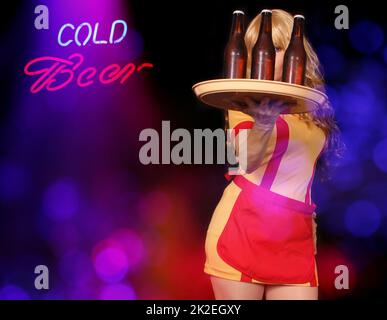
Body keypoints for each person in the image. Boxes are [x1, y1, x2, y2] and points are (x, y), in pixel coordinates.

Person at [204, 9, 344, 300]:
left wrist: (311, 234)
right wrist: (264, 122)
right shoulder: (244, 99)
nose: (265, 55)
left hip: (296, 239)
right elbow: (244, 160)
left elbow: (301, 177)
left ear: (297, 53)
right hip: (243, 231)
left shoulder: (313, 104)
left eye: (277, 48)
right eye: (257, 49)